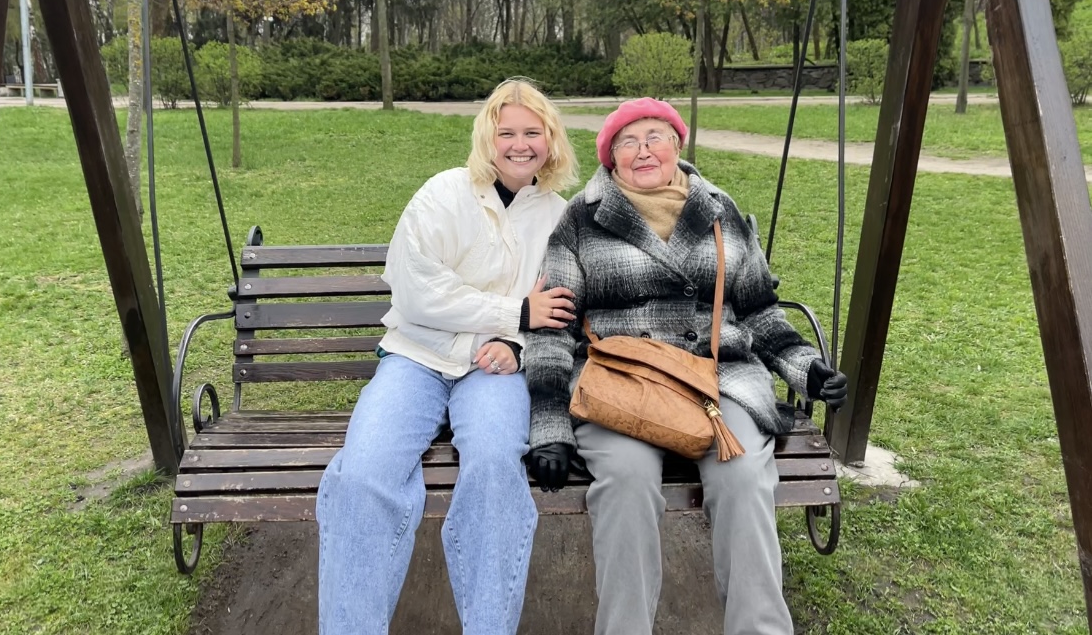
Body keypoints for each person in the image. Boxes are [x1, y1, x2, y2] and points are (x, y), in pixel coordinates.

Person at [523, 96, 847, 635]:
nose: (643, 150)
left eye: (655, 137)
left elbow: (758, 309)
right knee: (625, 480)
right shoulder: (581, 220)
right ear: (610, 158)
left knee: (743, 476)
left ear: (678, 144)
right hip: (621, 383)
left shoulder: (719, 209)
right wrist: (550, 429)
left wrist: (804, 367)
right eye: (627, 142)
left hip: (715, 382)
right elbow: (552, 327)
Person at [316, 77, 579, 635]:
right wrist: (516, 315)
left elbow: (558, 309)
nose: (519, 143)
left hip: (493, 369)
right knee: (363, 474)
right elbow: (418, 293)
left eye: (533, 132)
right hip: (416, 357)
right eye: (505, 131)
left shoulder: (560, 217)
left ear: (551, 141)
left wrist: (517, 344)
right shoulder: (442, 194)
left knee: (492, 469)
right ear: (486, 138)